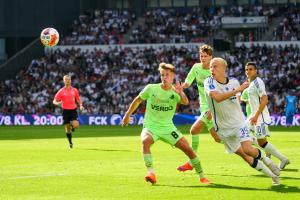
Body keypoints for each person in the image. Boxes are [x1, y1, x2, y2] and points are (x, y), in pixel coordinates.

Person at [121, 63, 210, 185]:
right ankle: (151, 173)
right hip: (151, 126)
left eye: (167, 75)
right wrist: (127, 115)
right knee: (145, 141)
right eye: (162, 75)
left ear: (173, 76)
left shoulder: (175, 91)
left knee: (188, 150)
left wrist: (180, 92)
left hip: (168, 128)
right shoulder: (151, 88)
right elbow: (138, 99)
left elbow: (185, 102)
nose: (164, 77)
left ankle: (202, 176)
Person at [204, 58, 280, 186]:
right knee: (245, 156)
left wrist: (237, 93)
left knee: (248, 150)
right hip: (223, 129)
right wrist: (237, 90)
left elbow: (236, 100)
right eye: (211, 67)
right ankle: (272, 175)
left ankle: (270, 165)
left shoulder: (234, 82)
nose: (212, 69)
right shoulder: (209, 81)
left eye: (215, 66)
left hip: (239, 123)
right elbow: (217, 98)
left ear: (224, 68)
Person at [177, 44, 221, 172]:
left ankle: (192, 162)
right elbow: (188, 82)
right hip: (203, 106)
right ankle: (247, 143)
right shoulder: (196, 67)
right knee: (217, 138)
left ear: (211, 57)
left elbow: (219, 90)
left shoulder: (214, 71)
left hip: (212, 107)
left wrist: (213, 109)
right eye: (201, 56)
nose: (202, 58)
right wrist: (182, 87)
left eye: (205, 56)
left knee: (194, 130)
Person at [245, 62, 290, 170]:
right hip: (254, 116)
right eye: (246, 69)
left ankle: (282, 159)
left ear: (256, 71)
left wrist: (256, 116)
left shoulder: (258, 82)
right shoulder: (251, 83)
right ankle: (272, 157)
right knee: (241, 133)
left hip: (259, 117)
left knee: (262, 142)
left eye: (250, 69)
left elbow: (265, 99)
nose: (248, 71)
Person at [53, 75, 84, 148]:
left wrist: (81, 105)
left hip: (73, 110)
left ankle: (71, 125)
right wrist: (57, 103)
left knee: (76, 125)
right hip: (65, 111)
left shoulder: (75, 90)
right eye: (66, 79)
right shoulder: (61, 91)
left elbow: (78, 99)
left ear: (71, 80)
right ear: (64, 81)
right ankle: (70, 143)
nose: (68, 81)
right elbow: (54, 100)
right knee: (67, 128)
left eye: (69, 79)